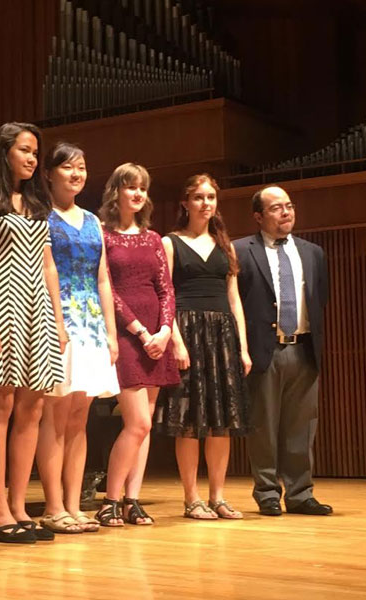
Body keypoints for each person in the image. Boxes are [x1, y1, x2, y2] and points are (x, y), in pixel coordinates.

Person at [0, 122, 68, 544]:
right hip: (2, 312)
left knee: (32, 411)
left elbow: (47, 265)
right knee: (0, 409)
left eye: (35, 152)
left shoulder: (38, 203)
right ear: (4, 151)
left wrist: (59, 321)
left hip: (38, 313)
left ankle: (21, 506)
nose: (31, 158)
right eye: (24, 150)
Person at [233, 185, 332, 516]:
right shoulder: (240, 251)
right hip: (265, 350)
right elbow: (236, 304)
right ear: (259, 216)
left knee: (302, 426)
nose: (286, 212)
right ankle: (267, 492)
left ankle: (301, 493)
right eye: (277, 208)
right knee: (263, 425)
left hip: (303, 349)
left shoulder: (313, 252)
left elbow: (320, 300)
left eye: (289, 206)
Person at [156, 174, 251, 520]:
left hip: (221, 333)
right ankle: (191, 497)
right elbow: (164, 296)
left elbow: (234, 299)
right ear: (185, 202)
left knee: (221, 420)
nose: (206, 203)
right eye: (198, 197)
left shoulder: (226, 245)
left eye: (211, 197)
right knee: (190, 421)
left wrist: (242, 347)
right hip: (187, 332)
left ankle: (218, 496)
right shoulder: (170, 243)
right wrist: (176, 341)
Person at [36, 142, 119, 535]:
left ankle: (74, 504)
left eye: (81, 167)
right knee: (54, 416)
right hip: (60, 320)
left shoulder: (92, 220)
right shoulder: (41, 216)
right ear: (49, 173)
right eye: (67, 167)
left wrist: (112, 333)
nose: (76, 173)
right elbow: (46, 271)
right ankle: (53, 506)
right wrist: (56, 324)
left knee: (80, 419)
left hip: (92, 324)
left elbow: (103, 278)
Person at [96, 163, 179, 527]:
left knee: (145, 424)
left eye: (143, 188)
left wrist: (164, 331)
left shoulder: (153, 238)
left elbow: (166, 288)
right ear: (116, 191)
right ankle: (110, 500)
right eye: (131, 187)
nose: (138, 194)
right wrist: (141, 331)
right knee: (138, 423)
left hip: (156, 338)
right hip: (127, 336)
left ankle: (132, 499)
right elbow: (108, 289)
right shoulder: (103, 235)